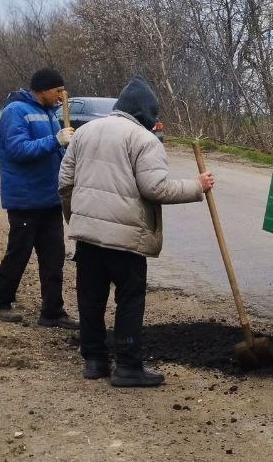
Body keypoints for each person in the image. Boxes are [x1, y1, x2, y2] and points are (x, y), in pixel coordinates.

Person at [58, 76, 214, 387]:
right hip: (125, 240)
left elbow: (65, 183)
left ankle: (94, 360)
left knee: (90, 297)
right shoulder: (144, 140)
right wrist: (197, 186)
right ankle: (127, 367)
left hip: (88, 237)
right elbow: (155, 188)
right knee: (129, 298)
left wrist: (76, 219)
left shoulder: (84, 132)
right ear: (146, 113)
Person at [0, 67, 78, 327]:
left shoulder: (49, 113)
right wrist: (55, 140)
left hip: (49, 198)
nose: (62, 96)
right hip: (25, 199)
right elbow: (18, 150)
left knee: (54, 257)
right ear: (42, 88)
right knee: (18, 253)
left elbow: (55, 152)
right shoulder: (15, 111)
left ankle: (52, 312)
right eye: (58, 90)